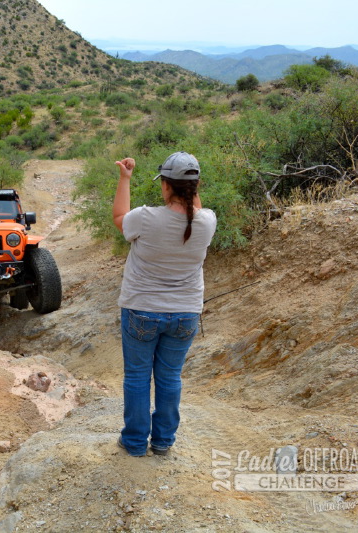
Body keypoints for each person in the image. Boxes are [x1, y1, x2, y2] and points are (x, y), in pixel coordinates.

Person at [112, 152, 216, 457]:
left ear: (165, 185)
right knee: (170, 377)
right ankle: (163, 441)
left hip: (141, 309)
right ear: (196, 187)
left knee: (137, 377)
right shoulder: (207, 221)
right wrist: (190, 186)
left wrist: (125, 178)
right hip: (186, 312)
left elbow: (119, 218)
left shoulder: (145, 218)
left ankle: (133, 443)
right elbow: (192, 209)